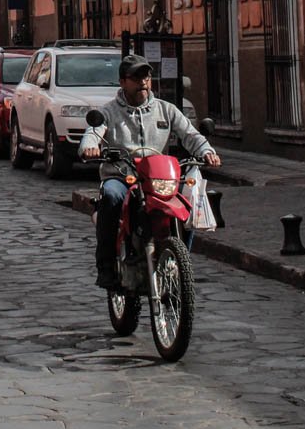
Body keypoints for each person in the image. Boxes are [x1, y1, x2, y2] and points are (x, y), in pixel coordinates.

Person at [90, 56, 220, 288]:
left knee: (187, 202)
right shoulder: (108, 111)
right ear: (123, 82)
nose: (143, 82)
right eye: (136, 77)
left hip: (157, 178)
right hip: (122, 176)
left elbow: (190, 135)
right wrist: (89, 146)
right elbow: (93, 132)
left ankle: (180, 259)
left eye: (146, 77)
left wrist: (207, 151)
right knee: (110, 196)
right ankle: (106, 265)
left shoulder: (166, 109)